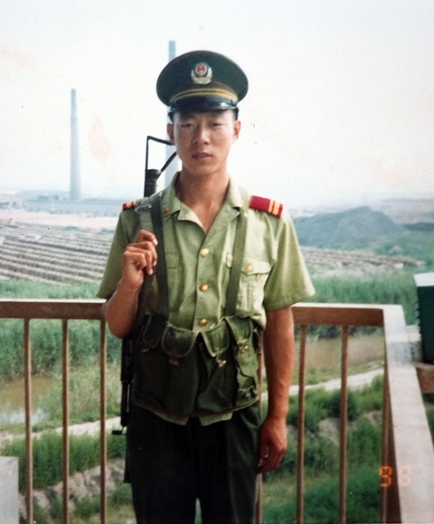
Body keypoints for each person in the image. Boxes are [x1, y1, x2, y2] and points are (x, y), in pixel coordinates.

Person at [98, 50, 315, 524]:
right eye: (188, 123)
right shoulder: (138, 220)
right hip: (156, 417)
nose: (201, 137)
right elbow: (117, 326)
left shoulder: (268, 223)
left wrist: (277, 417)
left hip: (234, 418)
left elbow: (280, 324)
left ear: (236, 130)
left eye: (215, 123)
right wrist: (130, 286)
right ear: (171, 131)